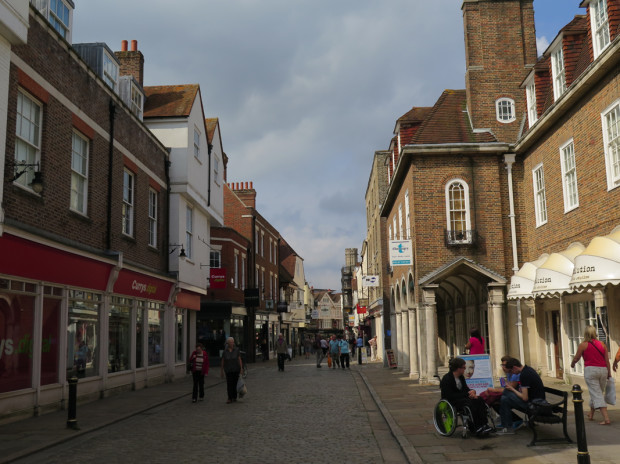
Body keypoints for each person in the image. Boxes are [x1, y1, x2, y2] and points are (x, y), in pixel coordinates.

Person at [440, 357, 492, 436]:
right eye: (464, 368)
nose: (465, 370)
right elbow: (449, 395)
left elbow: (465, 389)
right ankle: (476, 426)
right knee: (470, 403)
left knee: (479, 399)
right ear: (458, 368)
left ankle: (484, 424)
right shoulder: (447, 379)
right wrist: (467, 394)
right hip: (452, 400)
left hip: (462, 398)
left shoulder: (461, 377)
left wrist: (472, 392)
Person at [570, 325, 611, 425]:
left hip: (591, 370)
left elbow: (576, 358)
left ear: (585, 333)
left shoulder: (583, 345)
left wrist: (573, 364)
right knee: (597, 392)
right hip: (603, 370)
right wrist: (609, 372)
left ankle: (606, 418)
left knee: (597, 394)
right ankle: (591, 414)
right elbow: (607, 361)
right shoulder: (602, 344)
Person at [497, 357, 546, 434]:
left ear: (515, 367)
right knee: (504, 399)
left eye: (511, 371)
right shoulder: (528, 369)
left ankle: (507, 425)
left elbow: (525, 398)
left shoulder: (524, 375)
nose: (512, 373)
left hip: (535, 404)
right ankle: (507, 427)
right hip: (535, 401)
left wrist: (512, 389)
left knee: (506, 393)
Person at [220, 337, 243, 404]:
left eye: (232, 342)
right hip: (228, 370)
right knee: (229, 384)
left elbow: (239, 359)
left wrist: (241, 368)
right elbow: (223, 360)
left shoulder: (236, 350)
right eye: (230, 342)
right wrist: (221, 370)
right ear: (227, 343)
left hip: (236, 369)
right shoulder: (225, 351)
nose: (231, 343)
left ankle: (234, 397)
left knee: (235, 383)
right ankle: (229, 398)